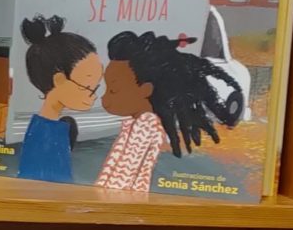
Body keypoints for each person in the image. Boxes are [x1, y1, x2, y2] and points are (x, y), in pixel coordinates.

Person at [96, 29, 244, 192]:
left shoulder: (145, 126)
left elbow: (121, 181)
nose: (104, 99)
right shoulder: (136, 122)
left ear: (146, 90)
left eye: (113, 90)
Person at [16, 16, 101, 184]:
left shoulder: (50, 126)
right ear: (60, 80)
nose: (94, 95)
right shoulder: (45, 134)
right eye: (88, 86)